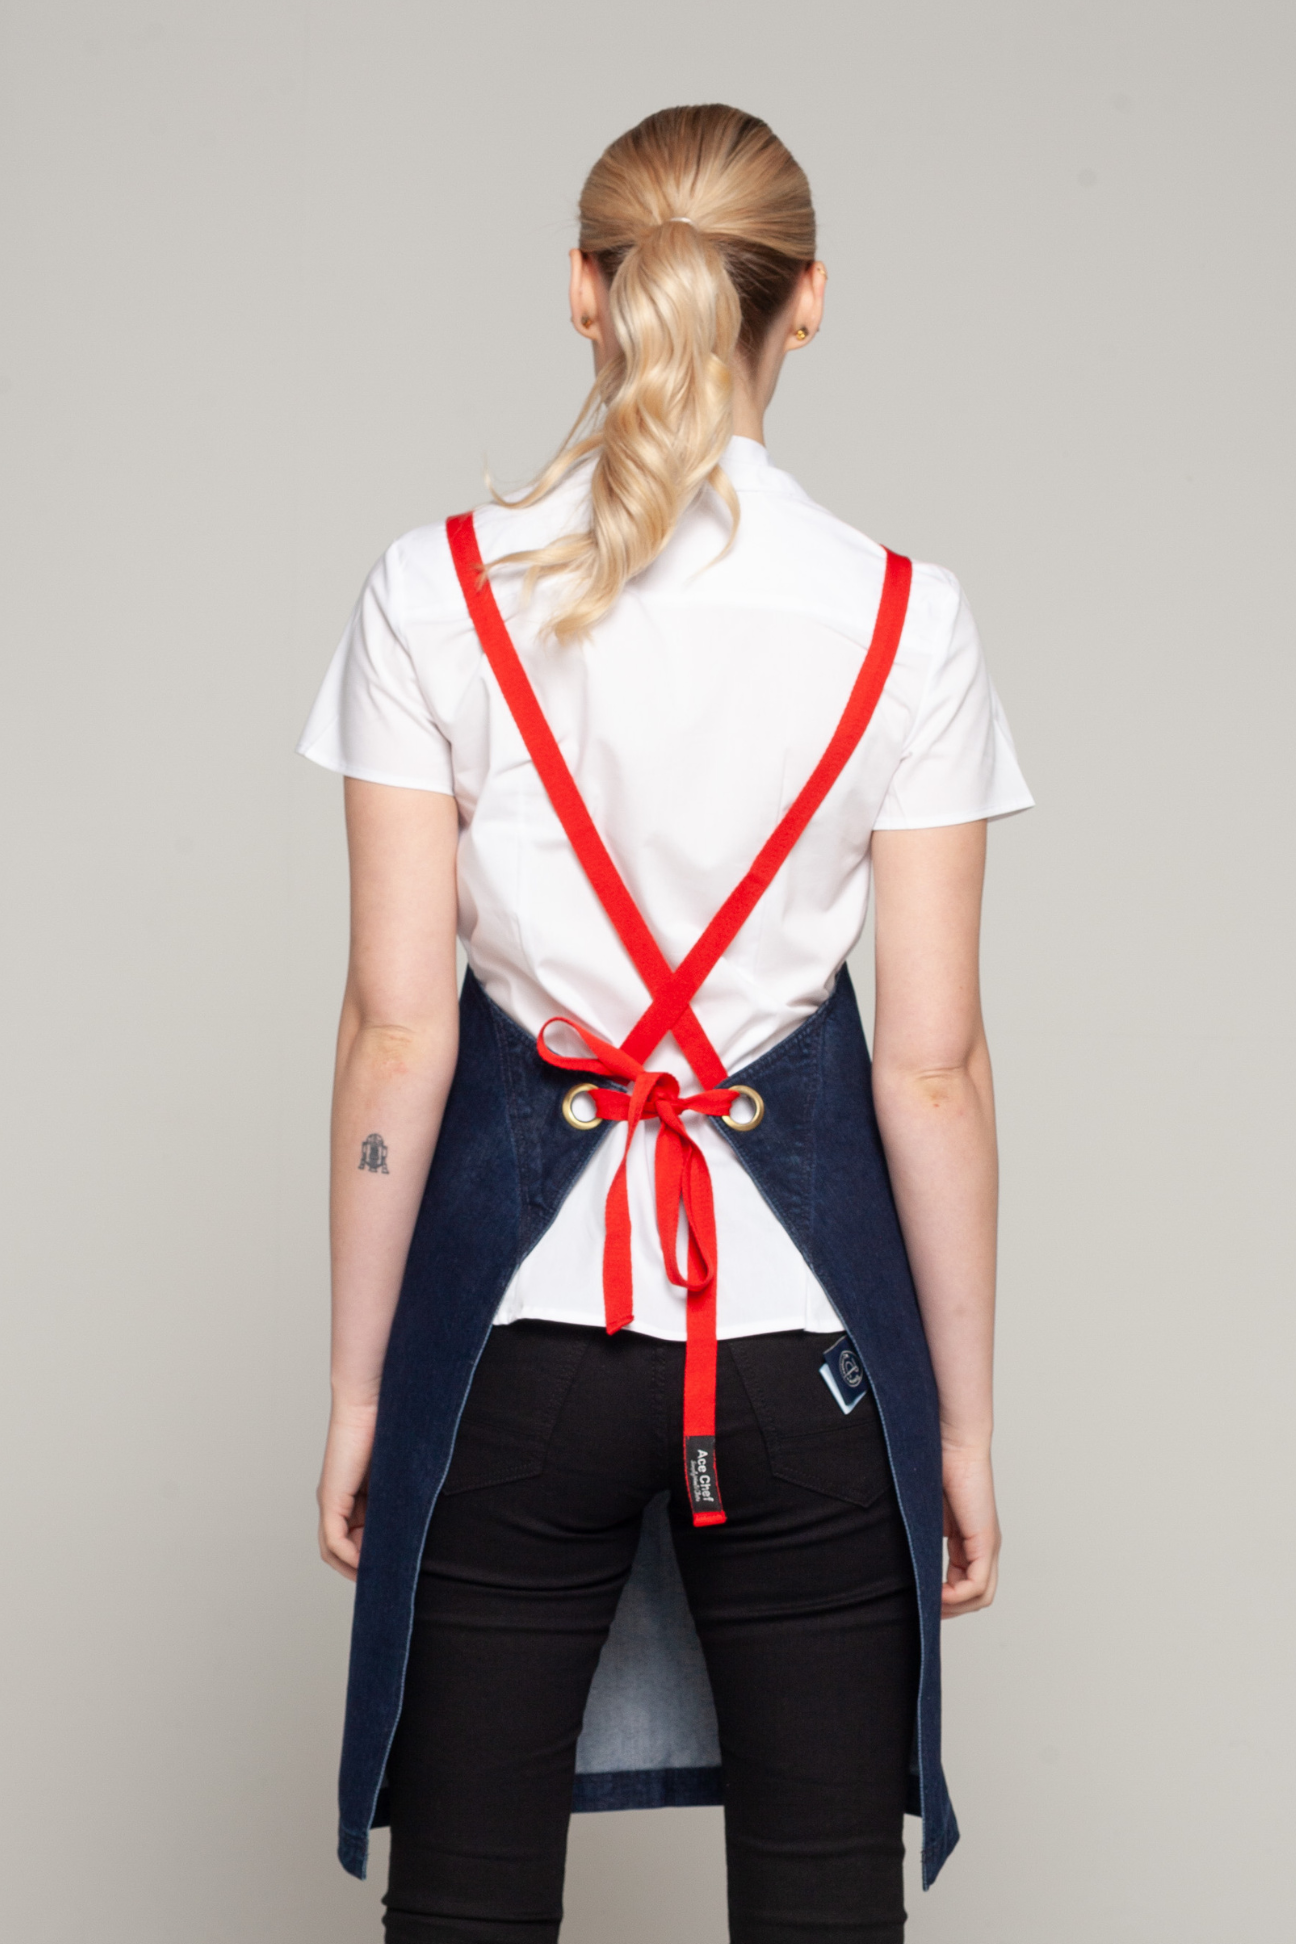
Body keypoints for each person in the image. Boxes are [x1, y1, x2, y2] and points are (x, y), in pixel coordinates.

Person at [298, 103, 1032, 1944]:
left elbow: (398, 1033)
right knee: (821, 1909)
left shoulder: (434, 594)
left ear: (584, 291)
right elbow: (930, 1066)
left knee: (464, 1910)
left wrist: (364, 1392)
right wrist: (957, 1424)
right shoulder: (906, 621)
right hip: (804, 1362)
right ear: (811, 303)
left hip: (516, 1357)